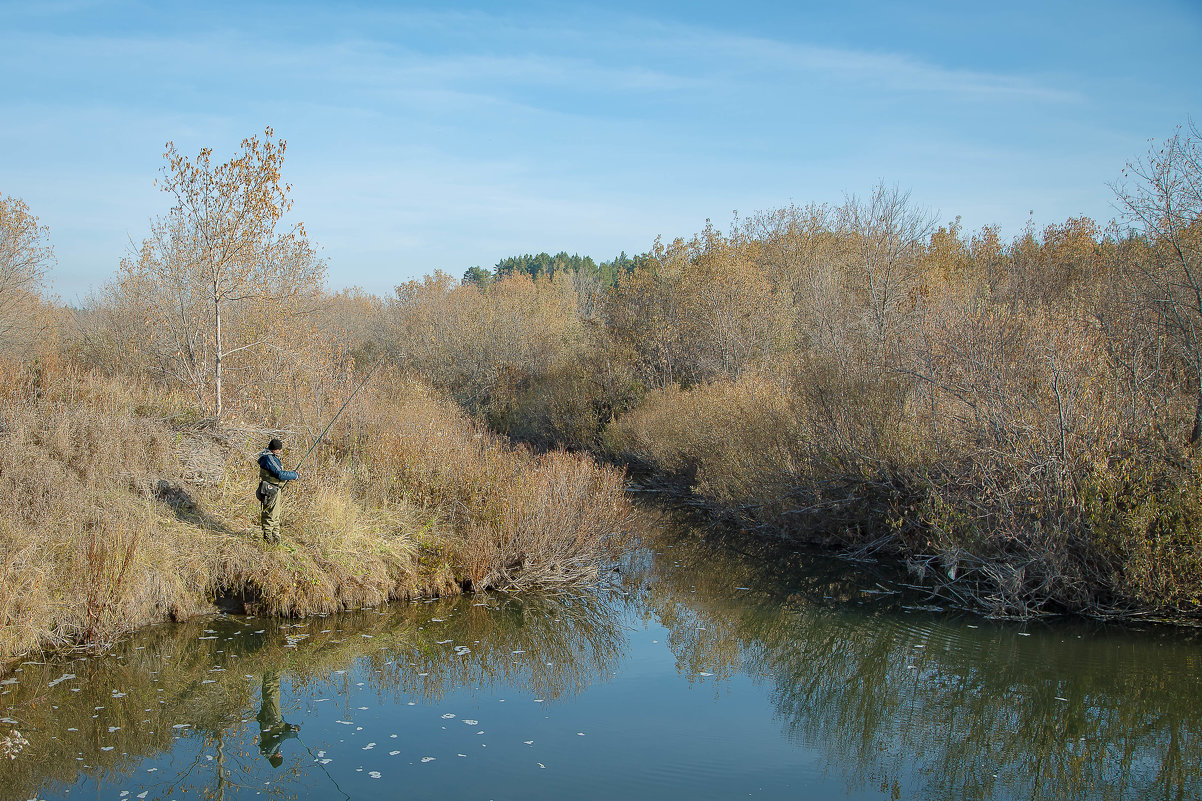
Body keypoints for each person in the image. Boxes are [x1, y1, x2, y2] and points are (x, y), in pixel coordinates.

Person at [256, 438, 299, 544]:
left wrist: (292, 474)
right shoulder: (268, 458)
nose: (280, 452)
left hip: (274, 489)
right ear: (275, 449)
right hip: (270, 490)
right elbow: (280, 474)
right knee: (270, 514)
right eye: (279, 449)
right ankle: (268, 539)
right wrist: (294, 475)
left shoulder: (269, 457)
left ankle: (276, 539)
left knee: (275, 515)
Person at [256, 668, 300, 767]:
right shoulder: (269, 750)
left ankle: (268, 667)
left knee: (270, 694)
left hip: (271, 718)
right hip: (275, 719)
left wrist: (293, 734)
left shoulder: (270, 750)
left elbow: (280, 738)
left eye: (279, 756)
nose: (280, 754)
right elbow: (280, 731)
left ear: (276, 758)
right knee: (275, 692)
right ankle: (277, 666)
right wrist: (292, 728)